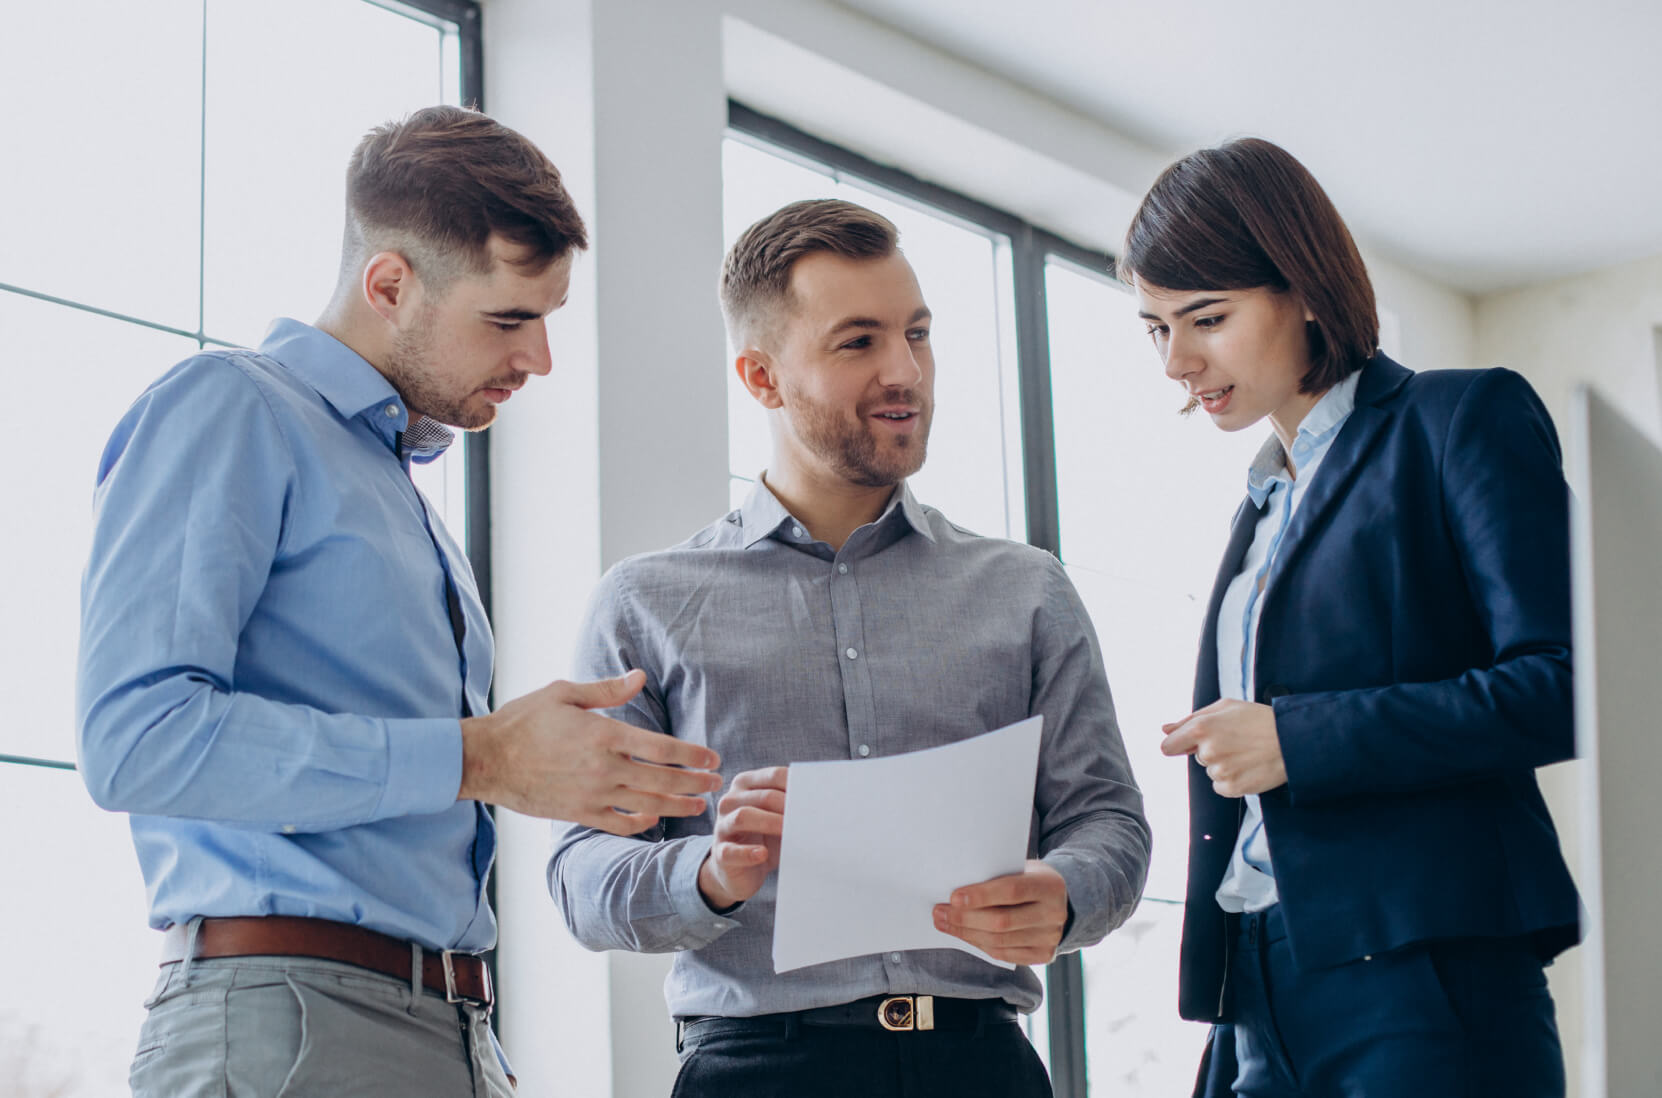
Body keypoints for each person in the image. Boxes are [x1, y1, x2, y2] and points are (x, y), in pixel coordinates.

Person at [76, 105, 722, 1098]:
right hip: (293, 1025)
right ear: (389, 283)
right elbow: (137, 740)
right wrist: (485, 756)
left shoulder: (393, 489)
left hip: (448, 1030)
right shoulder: (230, 409)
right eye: (509, 319)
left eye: (546, 319)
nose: (538, 359)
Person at [547, 198, 1151, 1098]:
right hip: (756, 1071)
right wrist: (708, 872)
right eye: (858, 341)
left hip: (982, 1064)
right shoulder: (646, 603)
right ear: (761, 377)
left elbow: (1110, 823)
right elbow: (580, 875)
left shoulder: (1025, 590)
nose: (904, 370)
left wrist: (1063, 893)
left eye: (917, 334)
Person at [1123, 138, 1580, 1098]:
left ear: (1307, 286)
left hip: (1422, 975)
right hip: (1257, 976)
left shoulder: (1459, 421)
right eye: (1155, 327)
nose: (1178, 360)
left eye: (1206, 317)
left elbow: (1561, 684)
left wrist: (1299, 738)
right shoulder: (1257, 509)